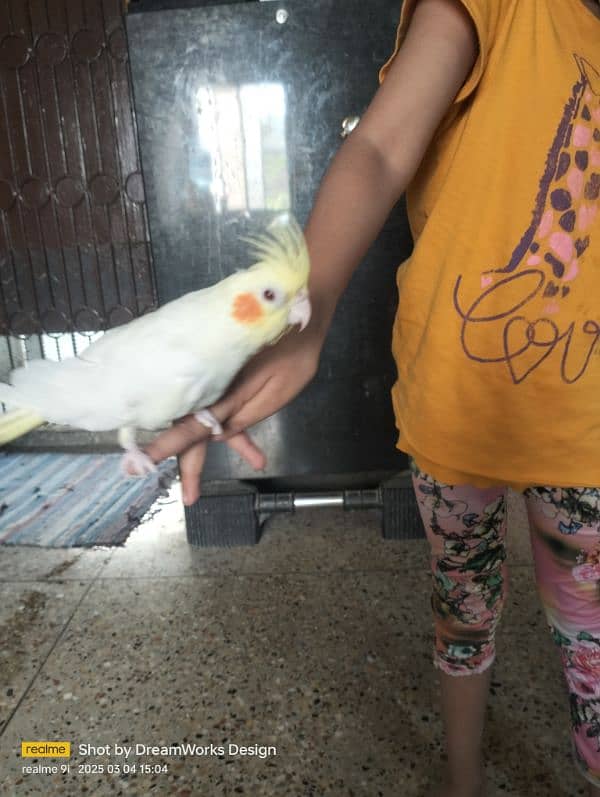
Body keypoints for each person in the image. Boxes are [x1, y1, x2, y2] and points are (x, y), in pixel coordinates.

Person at [138, 1, 600, 794]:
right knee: (464, 608)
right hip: (457, 404)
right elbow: (381, 148)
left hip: (589, 428)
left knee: (590, 636)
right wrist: (299, 316)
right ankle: (460, 778)